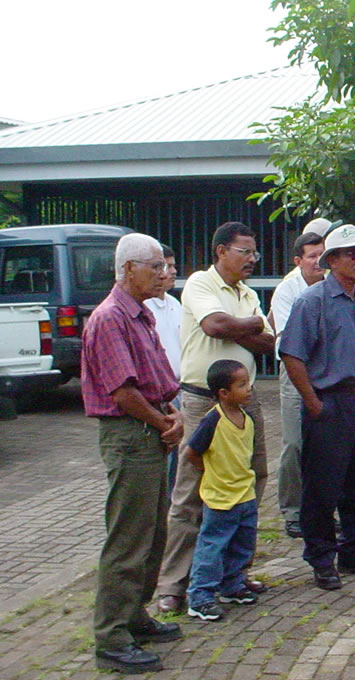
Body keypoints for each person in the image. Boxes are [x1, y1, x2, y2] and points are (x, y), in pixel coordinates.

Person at [156, 221, 274, 614]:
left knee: (251, 479)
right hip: (202, 401)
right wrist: (249, 325)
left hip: (246, 402)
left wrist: (239, 328)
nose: (252, 259)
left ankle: (233, 576)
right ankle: (174, 584)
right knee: (190, 492)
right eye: (245, 251)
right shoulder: (200, 285)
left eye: (254, 253)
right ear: (221, 251)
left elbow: (268, 341)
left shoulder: (244, 292)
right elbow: (213, 325)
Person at [81, 233, 184, 674]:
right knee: (127, 539)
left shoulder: (139, 314)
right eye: (154, 267)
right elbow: (123, 393)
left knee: (151, 533)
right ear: (128, 270)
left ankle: (134, 614)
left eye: (163, 266)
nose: (163, 274)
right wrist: (165, 422)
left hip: (150, 429)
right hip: (132, 434)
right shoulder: (110, 319)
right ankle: (111, 637)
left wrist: (171, 414)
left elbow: (157, 378)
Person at [280, 224, 355, 591]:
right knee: (323, 487)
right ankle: (322, 557)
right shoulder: (312, 301)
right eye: (352, 254)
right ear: (331, 261)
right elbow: (292, 355)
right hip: (328, 402)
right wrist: (314, 404)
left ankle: (354, 550)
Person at [184, 360, 259, 621]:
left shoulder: (247, 418)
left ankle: (232, 586)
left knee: (242, 544)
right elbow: (192, 452)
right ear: (223, 393)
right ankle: (200, 597)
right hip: (220, 498)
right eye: (241, 385)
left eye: (248, 383)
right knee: (212, 547)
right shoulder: (213, 420)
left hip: (245, 495)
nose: (248, 389)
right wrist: (212, 471)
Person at [269, 230, 327, 539]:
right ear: (298, 260)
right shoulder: (286, 291)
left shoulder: (334, 287)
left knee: (325, 446)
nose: (319, 261)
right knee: (294, 443)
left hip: (327, 375)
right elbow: (288, 342)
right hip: (295, 373)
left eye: (322, 254)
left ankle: (320, 510)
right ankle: (292, 511)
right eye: (312, 255)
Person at [145, 244, 183, 498]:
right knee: (164, 457)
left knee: (180, 461)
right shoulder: (144, 307)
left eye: (171, 266)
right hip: (158, 394)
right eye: (164, 266)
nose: (170, 272)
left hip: (180, 387)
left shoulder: (174, 304)